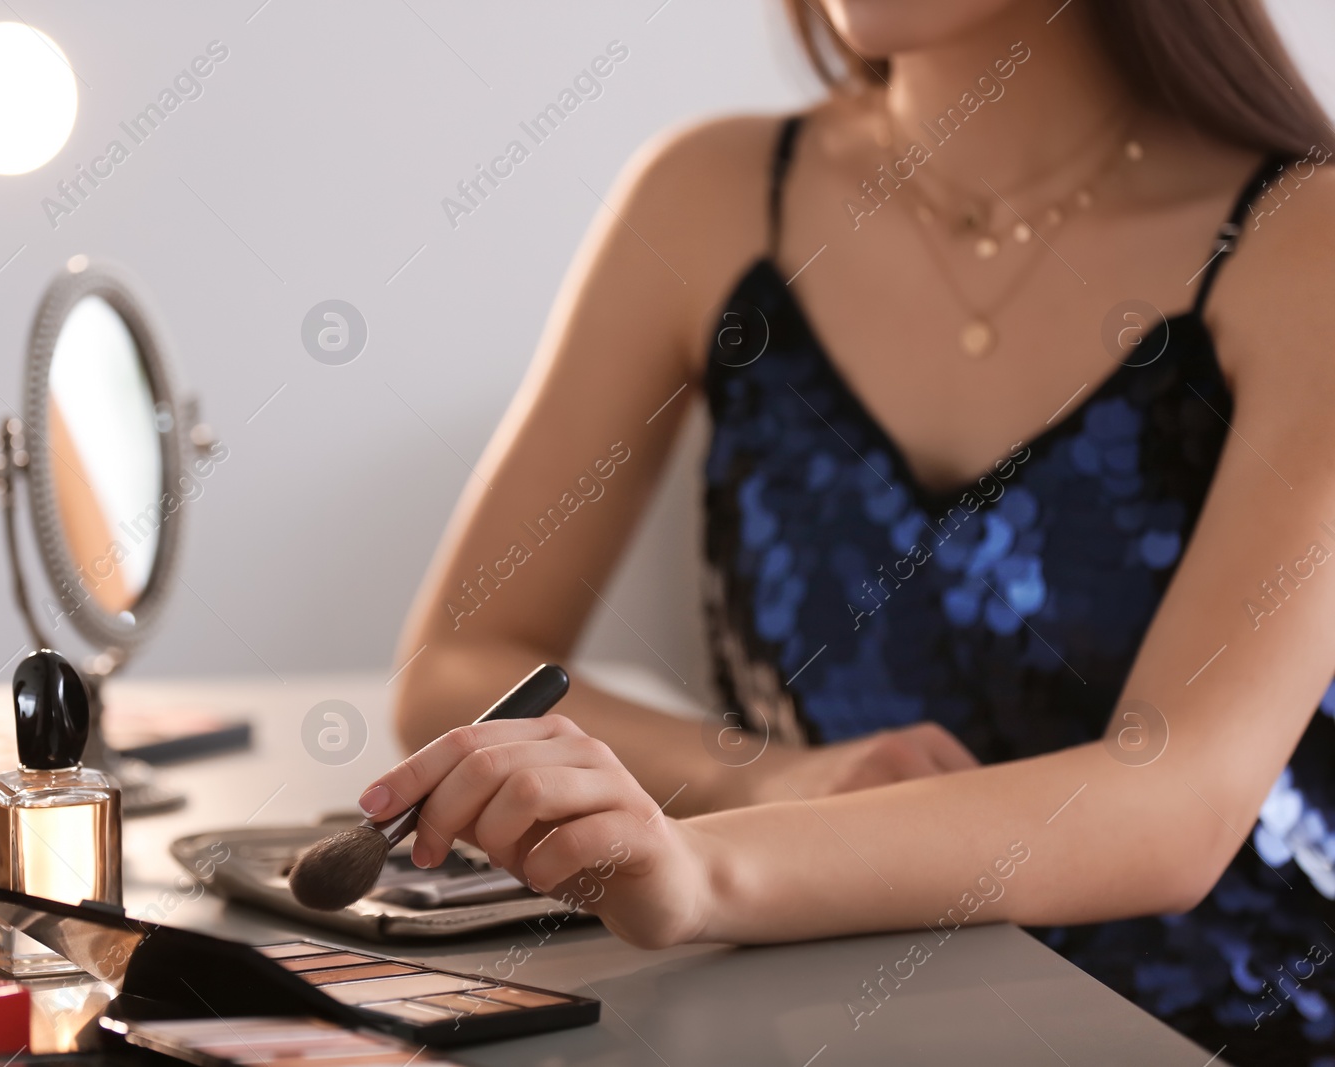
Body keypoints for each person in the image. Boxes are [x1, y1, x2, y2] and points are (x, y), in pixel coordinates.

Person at [382, 0, 1335, 1060]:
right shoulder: (710, 195)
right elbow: (457, 663)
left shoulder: (1305, 240)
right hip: (814, 1016)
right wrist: (756, 775)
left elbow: (1174, 798)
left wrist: (708, 867)